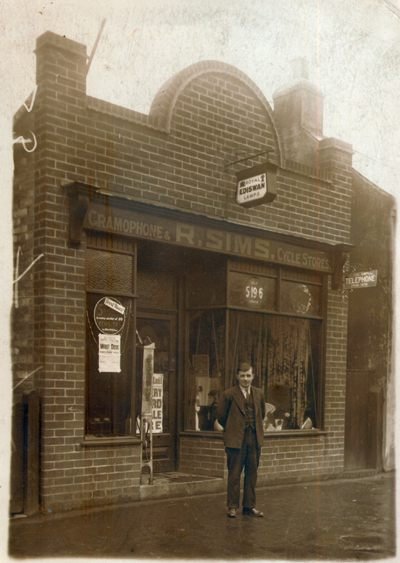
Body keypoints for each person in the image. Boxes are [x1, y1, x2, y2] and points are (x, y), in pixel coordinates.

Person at [217, 361, 266, 518]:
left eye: (249, 375)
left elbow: (262, 414)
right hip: (236, 440)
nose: (246, 379)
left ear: (253, 376)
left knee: (252, 473)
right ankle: (232, 506)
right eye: (243, 375)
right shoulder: (229, 394)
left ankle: (249, 506)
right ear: (237, 376)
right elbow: (221, 417)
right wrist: (232, 430)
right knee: (234, 474)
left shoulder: (259, 394)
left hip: (254, 439)